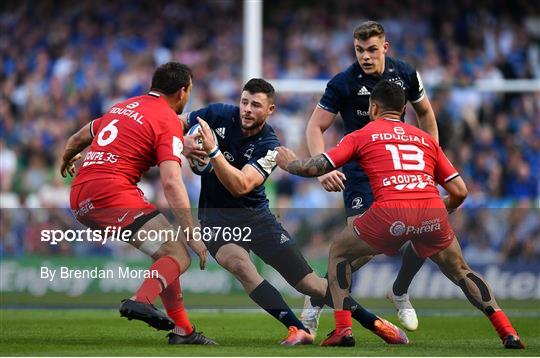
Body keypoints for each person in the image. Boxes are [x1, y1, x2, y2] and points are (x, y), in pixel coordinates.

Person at [276, 80, 524, 349]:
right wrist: (445, 205)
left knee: (339, 252)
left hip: (390, 212)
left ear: (373, 107)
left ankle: (343, 330)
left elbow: (320, 165)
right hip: (431, 210)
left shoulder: (362, 134)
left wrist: (289, 164)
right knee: (461, 271)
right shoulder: (426, 139)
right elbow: (461, 191)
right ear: (404, 109)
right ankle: (508, 332)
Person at [179, 78, 407, 345]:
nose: (247, 110)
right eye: (244, 102)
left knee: (309, 284)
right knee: (241, 266)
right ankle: (297, 328)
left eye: (255, 105)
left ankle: (374, 322)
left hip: (256, 217)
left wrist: (214, 152)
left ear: (270, 110)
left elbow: (240, 185)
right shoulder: (217, 114)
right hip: (216, 219)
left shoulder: (270, 146)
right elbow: (173, 122)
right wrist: (182, 141)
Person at [60, 62, 216, 345]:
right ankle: (141, 300)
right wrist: (193, 233)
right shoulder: (166, 118)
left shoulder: (122, 107)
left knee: (166, 254)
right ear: (182, 91)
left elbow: (78, 137)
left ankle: (184, 331)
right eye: (189, 91)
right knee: (180, 255)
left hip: (80, 194)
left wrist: (65, 159)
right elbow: (171, 182)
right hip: (112, 193)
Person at [302, 20, 439, 333]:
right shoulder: (343, 83)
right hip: (359, 174)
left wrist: (430, 161)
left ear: (385, 48)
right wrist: (324, 169)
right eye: (359, 50)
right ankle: (319, 301)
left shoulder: (405, 73)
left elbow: (426, 114)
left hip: (399, 173)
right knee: (359, 243)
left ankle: (398, 291)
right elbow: (315, 126)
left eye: (372, 49)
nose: (365, 55)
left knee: (424, 233)